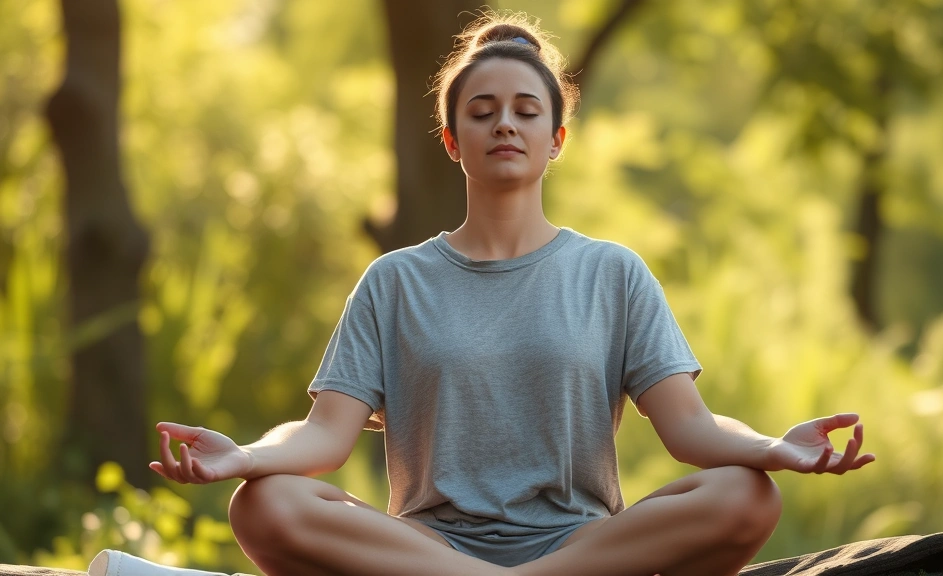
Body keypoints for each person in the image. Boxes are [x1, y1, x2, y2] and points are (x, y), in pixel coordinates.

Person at [149, 11, 875, 576]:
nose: (505, 123)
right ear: (451, 139)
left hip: (584, 548)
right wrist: (244, 457)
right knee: (265, 504)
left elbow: (692, 428)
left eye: (527, 110)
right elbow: (321, 436)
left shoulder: (613, 273)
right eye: (482, 110)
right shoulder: (394, 281)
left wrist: (774, 447)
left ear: (556, 138)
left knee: (747, 492)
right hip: (428, 554)